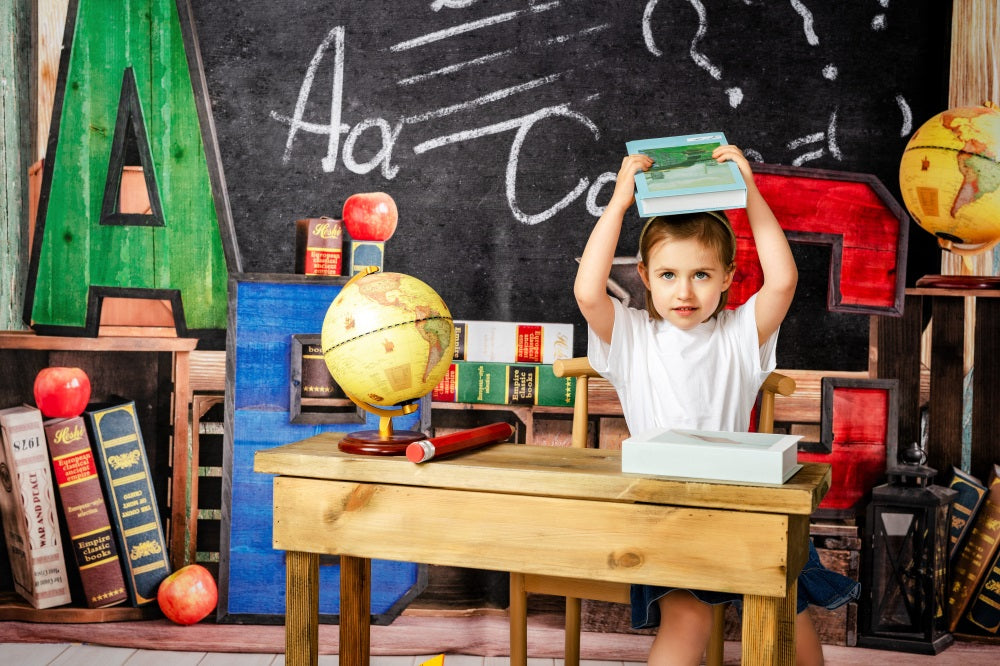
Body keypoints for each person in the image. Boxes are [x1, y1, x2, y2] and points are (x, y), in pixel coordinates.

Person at [574, 144, 859, 666]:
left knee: (785, 605)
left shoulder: (737, 335)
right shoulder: (633, 335)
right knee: (690, 617)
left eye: (701, 275)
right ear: (643, 276)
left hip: (744, 501)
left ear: (728, 277)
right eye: (668, 275)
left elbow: (784, 280)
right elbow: (589, 293)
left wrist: (748, 191)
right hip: (669, 506)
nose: (684, 291)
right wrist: (617, 204)